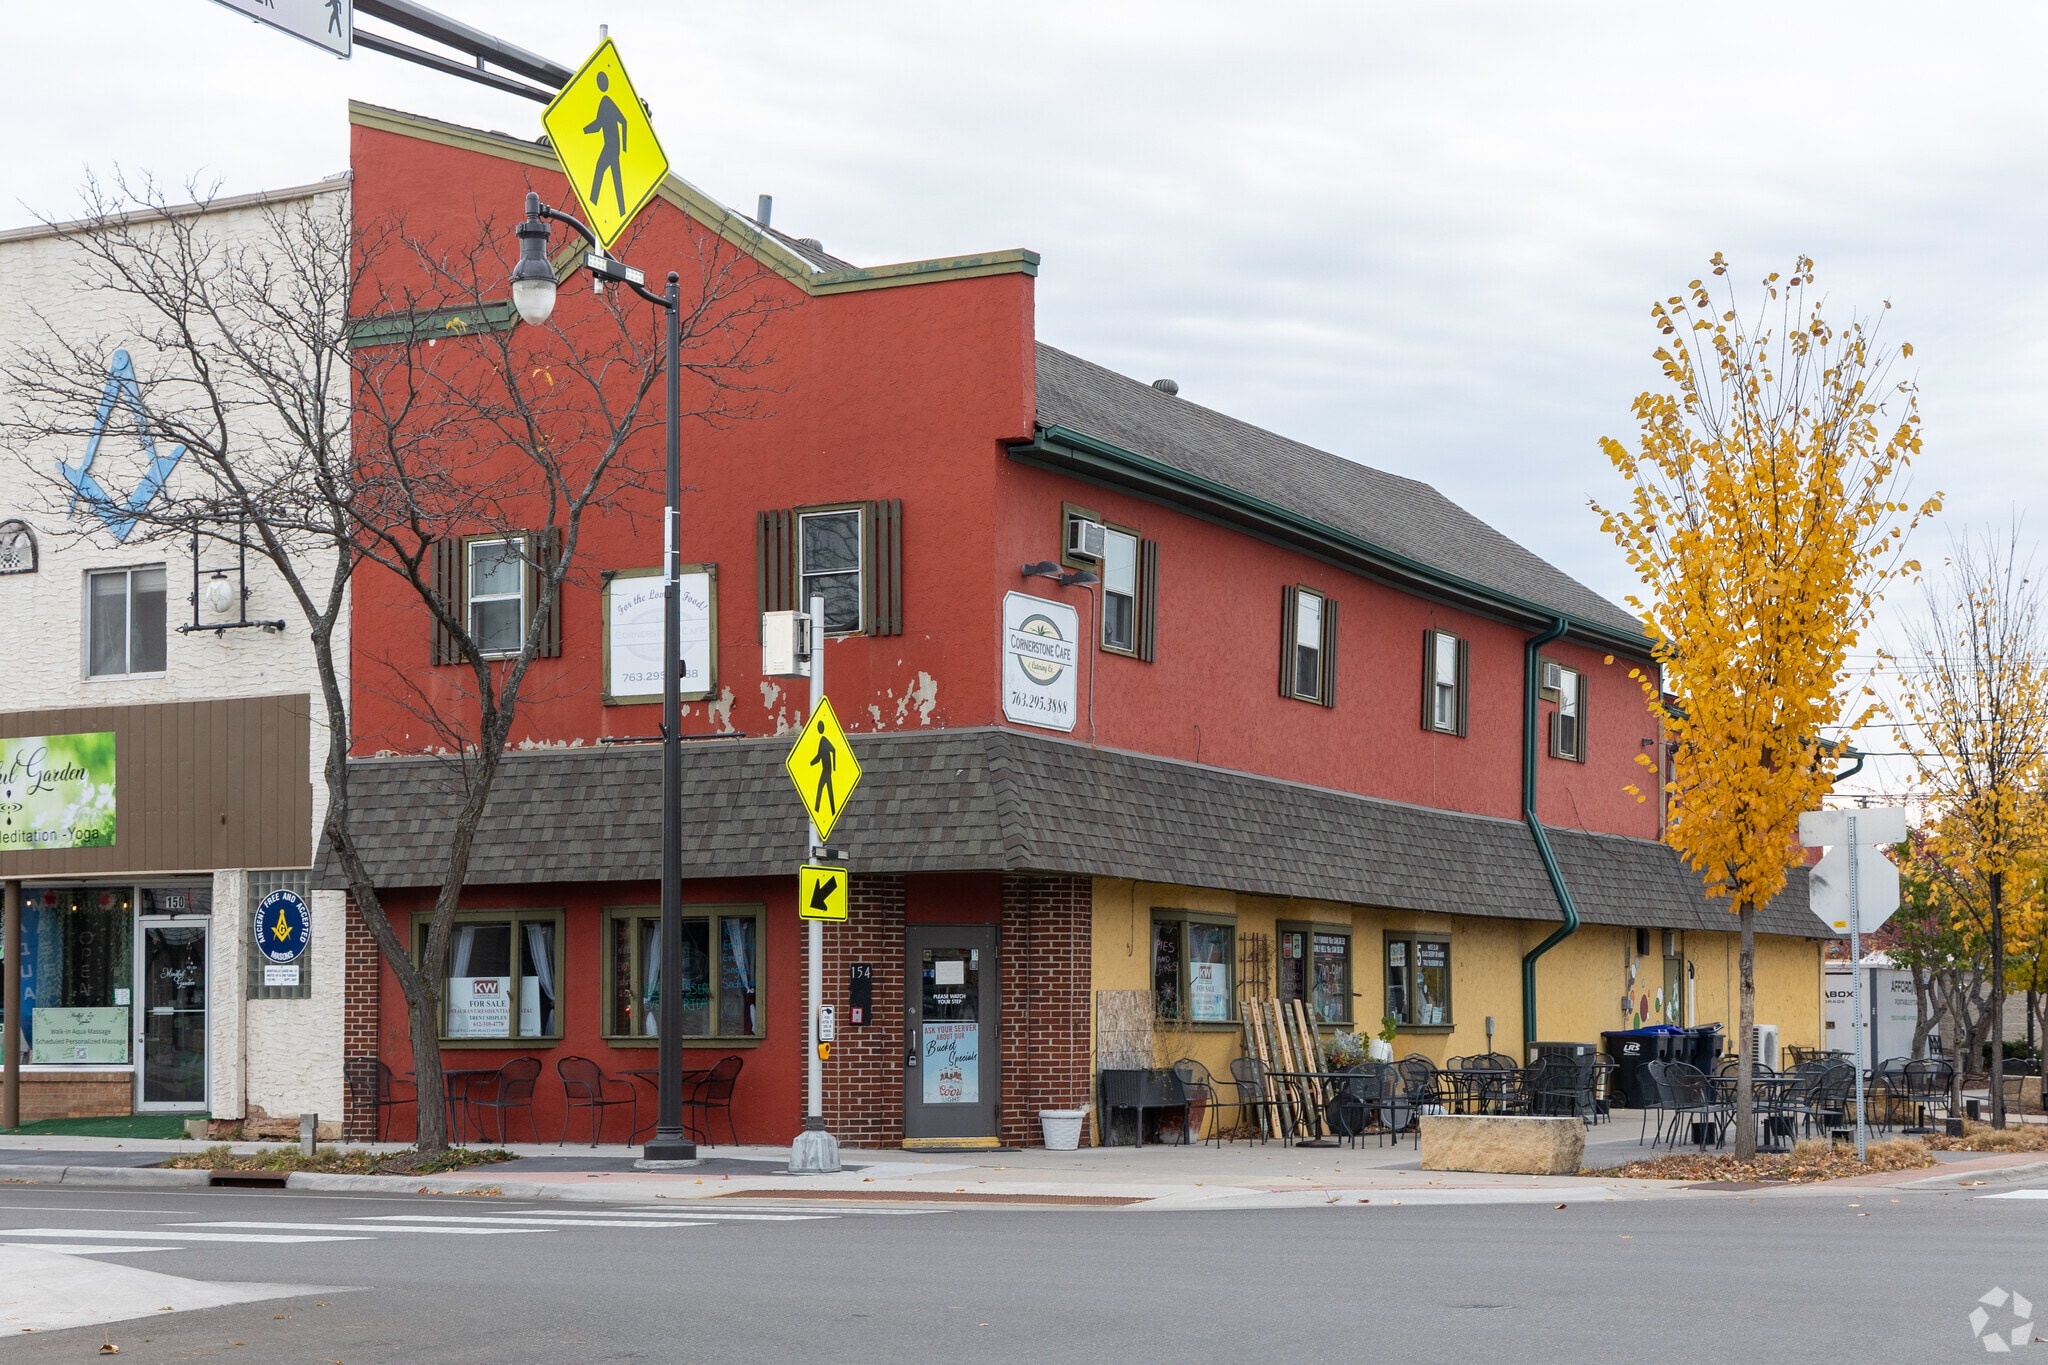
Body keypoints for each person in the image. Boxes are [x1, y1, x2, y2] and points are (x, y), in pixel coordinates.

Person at [583, 71, 630, 217]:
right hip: (612, 147)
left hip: (611, 147)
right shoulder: (606, 102)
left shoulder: (606, 102)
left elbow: (623, 121)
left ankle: (594, 204)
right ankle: (621, 210)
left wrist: (625, 146)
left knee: (600, 172)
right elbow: (602, 125)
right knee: (615, 179)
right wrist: (621, 146)